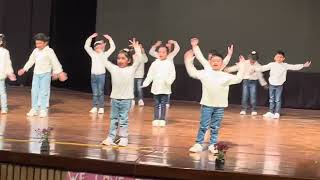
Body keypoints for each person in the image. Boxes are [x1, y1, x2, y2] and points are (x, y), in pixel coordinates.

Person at [186, 38, 245, 153]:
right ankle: (199, 143)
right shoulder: (205, 73)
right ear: (210, 62)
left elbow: (238, 79)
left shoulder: (225, 76)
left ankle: (213, 144)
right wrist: (191, 57)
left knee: (215, 127)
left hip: (219, 106)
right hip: (207, 104)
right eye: (213, 60)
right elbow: (193, 72)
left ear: (222, 63)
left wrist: (242, 66)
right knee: (204, 125)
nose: (216, 62)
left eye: (218, 60)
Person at [101, 37, 142, 147]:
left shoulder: (131, 69)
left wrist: (137, 49)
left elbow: (139, 59)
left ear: (128, 60)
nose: (120, 60)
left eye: (123, 58)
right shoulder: (114, 69)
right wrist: (105, 49)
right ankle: (111, 137)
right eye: (119, 58)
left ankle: (123, 138)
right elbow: (104, 60)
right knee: (113, 119)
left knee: (123, 119)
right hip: (115, 98)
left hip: (126, 99)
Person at [18, 33, 68, 118]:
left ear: (45, 43)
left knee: (44, 92)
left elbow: (55, 62)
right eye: (36, 43)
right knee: (34, 91)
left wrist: (60, 72)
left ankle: (43, 109)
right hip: (36, 74)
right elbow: (31, 61)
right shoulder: (35, 51)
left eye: (40, 43)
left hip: (46, 74)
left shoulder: (49, 51)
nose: (38, 45)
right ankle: (34, 109)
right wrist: (24, 69)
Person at [256, 50, 311, 119]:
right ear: (275, 58)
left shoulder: (285, 65)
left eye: (281, 57)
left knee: (277, 99)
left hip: (279, 85)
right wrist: (255, 68)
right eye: (277, 57)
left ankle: (277, 113)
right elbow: (263, 68)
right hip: (272, 84)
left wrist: (303, 65)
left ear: (283, 58)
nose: (279, 58)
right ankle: (271, 112)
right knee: (271, 99)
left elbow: (293, 67)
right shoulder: (272, 64)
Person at [142, 40, 180, 127]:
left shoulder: (169, 63)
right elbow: (150, 74)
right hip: (156, 87)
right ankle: (156, 118)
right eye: (159, 52)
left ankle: (162, 119)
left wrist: (169, 81)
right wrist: (146, 83)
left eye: (163, 52)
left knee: (163, 104)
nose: (161, 53)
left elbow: (172, 74)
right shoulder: (155, 63)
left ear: (167, 53)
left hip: (165, 87)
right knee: (156, 104)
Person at [224, 51, 268, 115]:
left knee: (253, 96)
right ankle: (243, 109)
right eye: (251, 59)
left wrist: (264, 84)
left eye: (254, 60)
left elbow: (260, 76)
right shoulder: (244, 63)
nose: (252, 61)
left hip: (253, 82)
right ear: (249, 58)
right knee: (245, 95)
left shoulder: (258, 65)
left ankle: (253, 109)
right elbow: (237, 67)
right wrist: (228, 69)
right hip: (245, 81)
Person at [84, 33, 115, 114]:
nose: (99, 48)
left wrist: (110, 39)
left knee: (100, 91)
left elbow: (113, 48)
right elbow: (86, 46)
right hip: (93, 75)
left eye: (101, 46)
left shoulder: (104, 55)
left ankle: (101, 107)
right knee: (95, 92)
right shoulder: (92, 54)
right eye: (97, 46)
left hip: (101, 75)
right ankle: (94, 106)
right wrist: (90, 37)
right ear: (95, 48)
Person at [0, 34, 17, 114]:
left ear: (2, 42)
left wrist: (10, 73)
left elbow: (8, 63)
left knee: (2, 92)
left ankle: (4, 108)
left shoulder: (5, 52)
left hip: (1, 75)